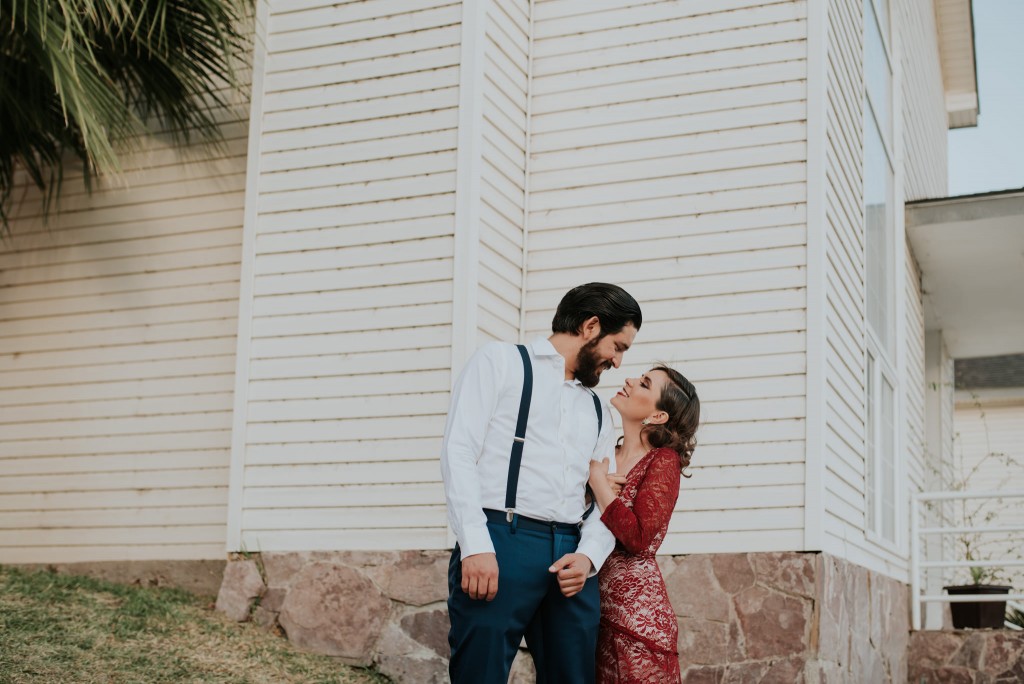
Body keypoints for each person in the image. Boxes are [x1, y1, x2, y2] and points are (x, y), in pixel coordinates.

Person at [441, 283, 643, 684]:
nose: (618, 363)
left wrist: (588, 557)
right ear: (590, 326)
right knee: (479, 675)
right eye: (618, 346)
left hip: (571, 556)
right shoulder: (500, 362)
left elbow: (604, 497)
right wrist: (476, 545)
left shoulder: (597, 408)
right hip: (501, 540)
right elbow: (458, 452)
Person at [588, 365, 700, 683]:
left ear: (658, 416)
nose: (630, 380)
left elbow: (639, 538)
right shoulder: (602, 451)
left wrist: (597, 484)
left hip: (636, 624)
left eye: (644, 383)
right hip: (588, 611)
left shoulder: (663, 461)